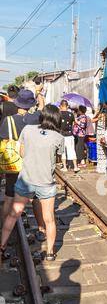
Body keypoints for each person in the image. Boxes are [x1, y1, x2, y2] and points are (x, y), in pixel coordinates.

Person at [1, 105, 64, 262]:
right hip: (46, 183)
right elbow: (57, 159)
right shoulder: (58, 137)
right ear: (57, 119)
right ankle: (50, 252)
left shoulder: (28, 129)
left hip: (26, 180)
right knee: (49, 219)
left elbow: (22, 153)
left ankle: (1, 247)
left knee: (14, 214)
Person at [0, 89, 41, 224]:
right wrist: (39, 93)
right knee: (35, 197)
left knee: (9, 196)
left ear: (17, 104)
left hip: (14, 162)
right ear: (30, 105)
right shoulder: (35, 118)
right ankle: (41, 228)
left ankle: (3, 227)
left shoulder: (8, 120)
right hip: (31, 162)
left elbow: (4, 141)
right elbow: (41, 107)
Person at [59, 100, 80, 172]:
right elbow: (75, 123)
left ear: (61, 106)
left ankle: (65, 167)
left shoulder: (58, 114)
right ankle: (75, 166)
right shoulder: (71, 114)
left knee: (63, 152)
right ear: (67, 106)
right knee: (72, 150)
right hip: (70, 135)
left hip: (61, 135)